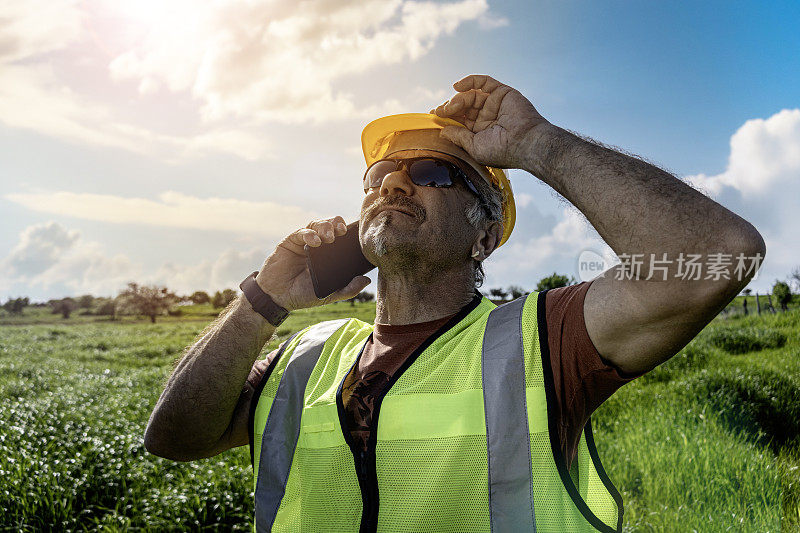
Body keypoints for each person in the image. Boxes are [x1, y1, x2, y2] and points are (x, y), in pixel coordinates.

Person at [144, 75, 765, 532]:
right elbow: (172, 435)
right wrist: (262, 301)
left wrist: (536, 144)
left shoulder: (544, 338)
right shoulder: (304, 355)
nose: (391, 182)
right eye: (379, 176)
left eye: (433, 174)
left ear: (483, 235)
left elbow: (720, 251)